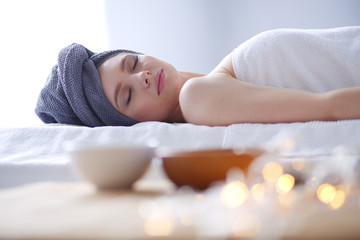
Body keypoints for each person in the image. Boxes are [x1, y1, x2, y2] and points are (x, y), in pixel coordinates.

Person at [35, 26, 360, 127]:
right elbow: (328, 107)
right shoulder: (197, 99)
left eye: (132, 64)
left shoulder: (212, 84)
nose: (142, 77)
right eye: (128, 95)